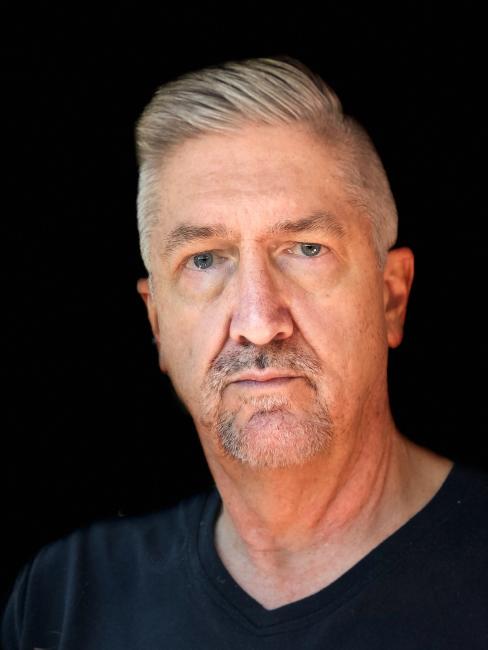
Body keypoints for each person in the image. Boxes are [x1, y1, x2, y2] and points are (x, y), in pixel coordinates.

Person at [2, 55, 487, 649]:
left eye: (306, 249)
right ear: (157, 324)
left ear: (391, 297)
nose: (258, 323)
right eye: (204, 260)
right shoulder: (66, 598)